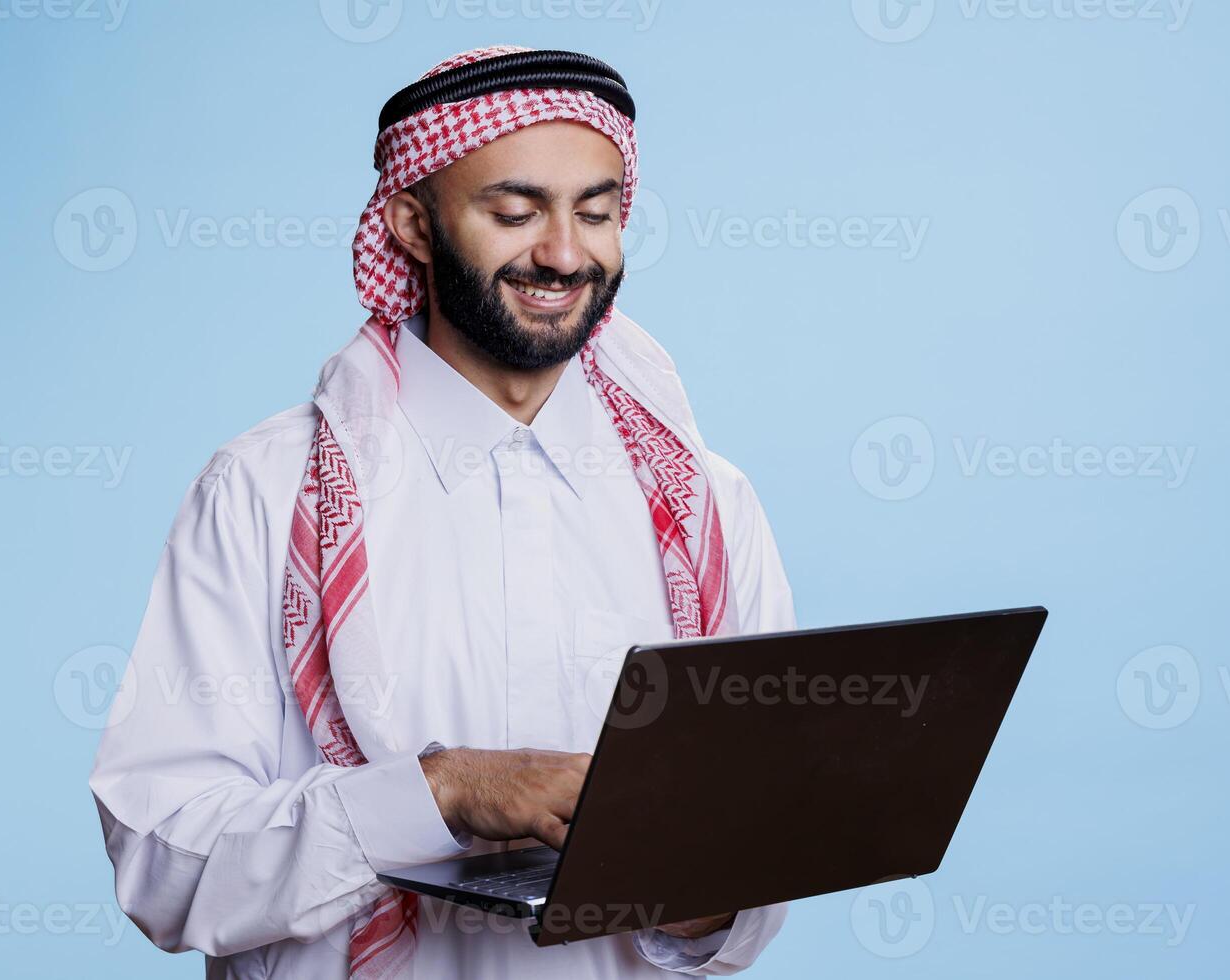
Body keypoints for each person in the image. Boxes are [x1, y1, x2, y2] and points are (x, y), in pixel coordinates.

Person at [89, 45, 796, 978]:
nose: (563, 253)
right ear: (412, 227)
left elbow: (746, 884)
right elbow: (163, 864)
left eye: (598, 212)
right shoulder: (266, 493)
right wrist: (439, 795)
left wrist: (718, 888)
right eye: (515, 212)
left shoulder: (707, 504)